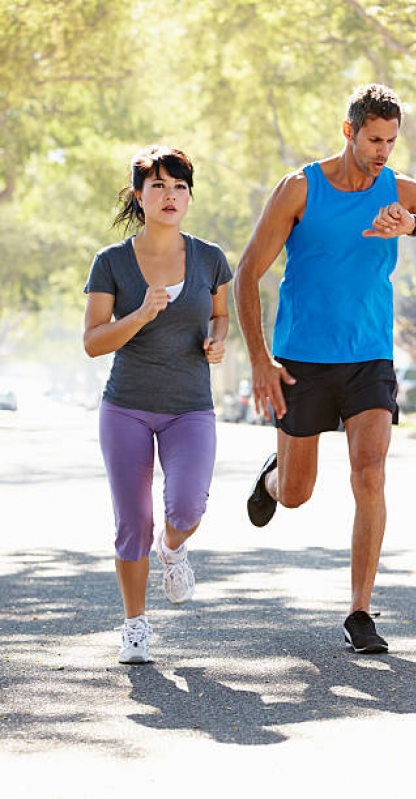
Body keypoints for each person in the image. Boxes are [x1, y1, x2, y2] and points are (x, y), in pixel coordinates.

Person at [234, 84, 416, 654]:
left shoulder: (402, 192)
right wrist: (259, 359)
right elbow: (247, 272)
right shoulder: (301, 188)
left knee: (369, 475)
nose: (383, 151)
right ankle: (274, 475)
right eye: (374, 139)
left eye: (391, 141)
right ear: (348, 131)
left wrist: (415, 228)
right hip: (301, 357)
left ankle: (360, 612)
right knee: (298, 494)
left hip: (370, 356)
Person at [84, 145, 232, 664]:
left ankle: (173, 550)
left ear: (189, 196)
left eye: (180, 188)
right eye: (159, 187)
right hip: (126, 405)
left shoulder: (210, 257)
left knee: (188, 506)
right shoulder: (111, 263)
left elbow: (220, 316)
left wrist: (218, 339)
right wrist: (141, 314)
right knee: (132, 521)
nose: (171, 197)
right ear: (139, 196)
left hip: (190, 405)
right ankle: (135, 626)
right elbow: (94, 341)